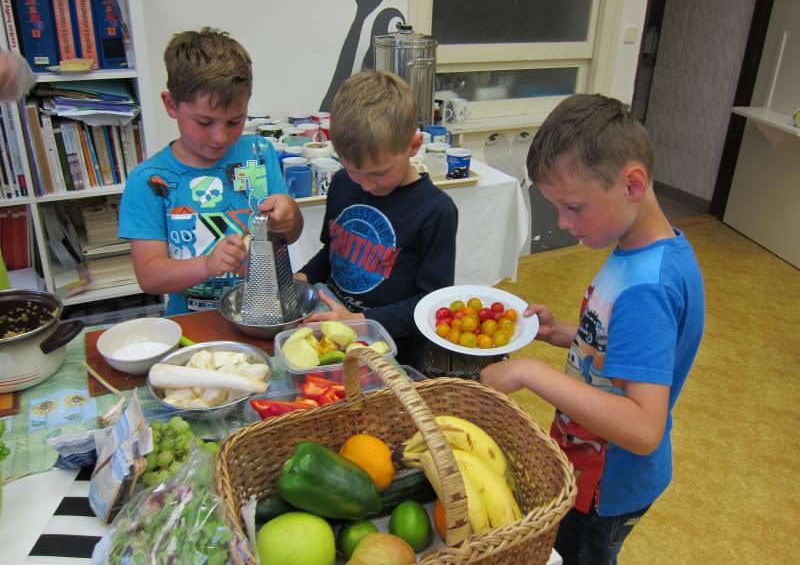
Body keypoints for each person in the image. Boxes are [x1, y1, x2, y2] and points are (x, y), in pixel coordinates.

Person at [480, 94, 704, 564]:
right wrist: (563, 332)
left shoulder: (647, 290)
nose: (563, 223)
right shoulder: (638, 249)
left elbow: (643, 428)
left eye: (574, 207)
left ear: (632, 184)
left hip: (606, 485)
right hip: (588, 465)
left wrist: (529, 372)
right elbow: (619, 347)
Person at [119, 28, 302, 315]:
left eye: (235, 121)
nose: (220, 137)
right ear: (171, 105)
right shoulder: (149, 181)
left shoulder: (259, 153)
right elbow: (150, 277)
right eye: (204, 122)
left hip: (261, 313)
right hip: (193, 321)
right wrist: (206, 264)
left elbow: (288, 235)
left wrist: (290, 215)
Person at [296, 71, 458, 367]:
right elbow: (332, 251)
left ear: (413, 146)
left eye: (380, 173)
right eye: (354, 171)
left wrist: (359, 321)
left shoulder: (436, 211)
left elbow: (431, 302)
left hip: (394, 349)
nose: (367, 185)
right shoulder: (343, 183)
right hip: (334, 327)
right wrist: (303, 278)